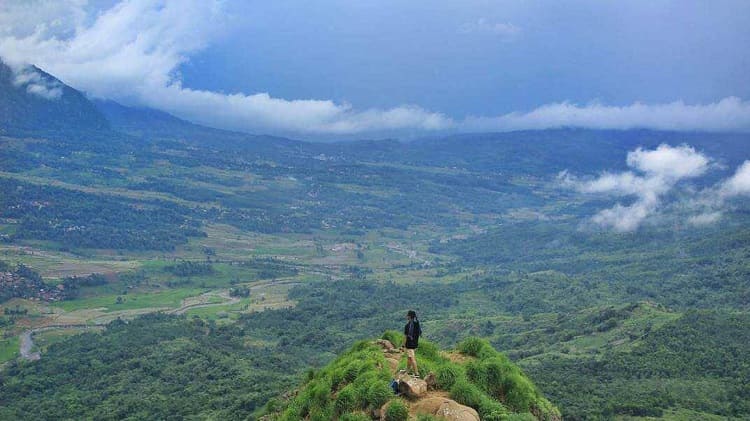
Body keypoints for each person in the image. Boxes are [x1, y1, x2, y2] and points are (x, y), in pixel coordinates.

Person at [402, 310, 422, 377]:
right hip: (415, 344)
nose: (406, 316)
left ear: (409, 316)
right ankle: (407, 371)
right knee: (409, 358)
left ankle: (416, 373)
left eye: (407, 315)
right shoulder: (417, 324)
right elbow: (418, 334)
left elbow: (405, 337)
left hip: (409, 345)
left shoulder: (407, 326)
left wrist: (403, 345)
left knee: (412, 358)